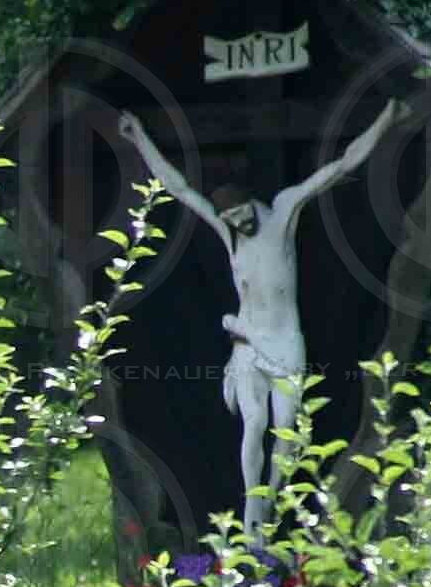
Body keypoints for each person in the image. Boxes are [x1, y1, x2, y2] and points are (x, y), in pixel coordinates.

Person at [116, 98, 407, 539]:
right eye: (228, 218)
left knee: (285, 435)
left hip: (286, 342)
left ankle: (269, 503)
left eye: (238, 214)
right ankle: (254, 514)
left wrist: (385, 120)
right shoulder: (230, 236)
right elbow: (178, 189)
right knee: (253, 427)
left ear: (252, 203)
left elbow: (340, 165)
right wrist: (140, 138)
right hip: (247, 344)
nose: (235, 223)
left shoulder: (285, 211)